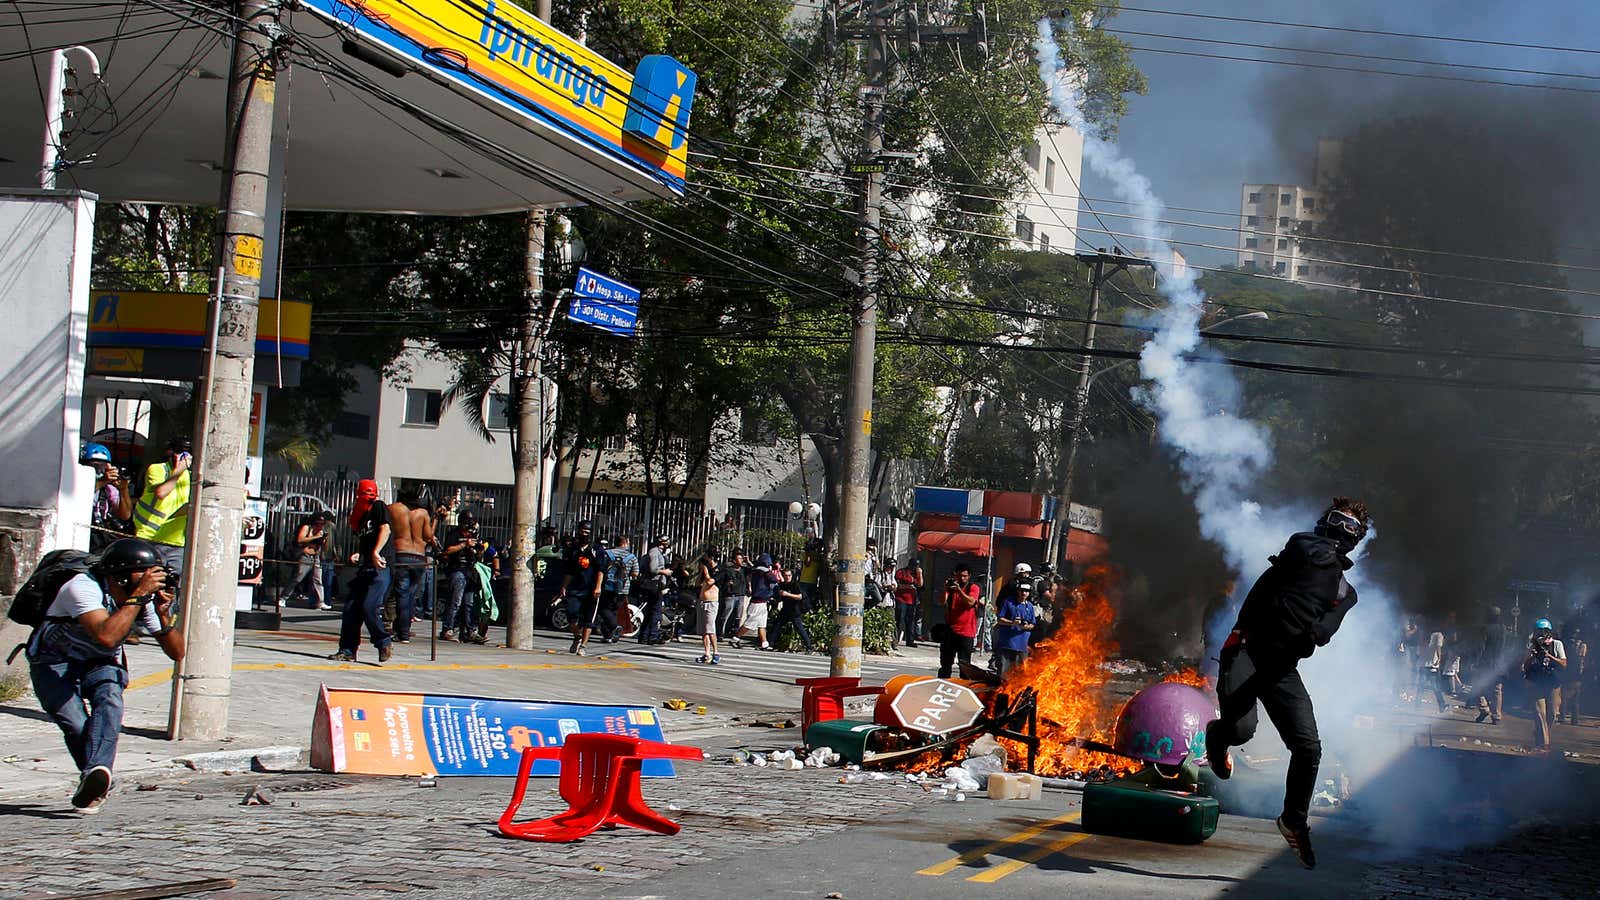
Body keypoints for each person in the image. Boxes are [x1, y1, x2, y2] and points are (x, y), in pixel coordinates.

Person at [1204, 497, 1371, 871]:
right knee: (1242, 730)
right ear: (1324, 523)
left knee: (1309, 748)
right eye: (1337, 523)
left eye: (1350, 529)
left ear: (1357, 539)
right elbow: (1306, 550)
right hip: (1246, 653)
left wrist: (1318, 630)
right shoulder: (1301, 547)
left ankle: (1293, 820)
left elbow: (1328, 628)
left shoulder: (1346, 593)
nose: (1341, 533)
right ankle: (1218, 735)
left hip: (1282, 669)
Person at [28, 538, 185, 812]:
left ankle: (96, 775)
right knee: (75, 723)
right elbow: (106, 635)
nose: (152, 580)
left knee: (110, 698)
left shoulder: (143, 599)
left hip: (99, 662)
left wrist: (162, 616)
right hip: (53, 662)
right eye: (145, 574)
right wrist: (138, 598)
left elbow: (177, 653)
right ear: (121, 577)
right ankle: (96, 779)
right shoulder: (82, 588)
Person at [328, 479, 394, 663]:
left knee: (369, 606)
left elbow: (386, 530)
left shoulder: (379, 507)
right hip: (366, 566)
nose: (367, 496)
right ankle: (347, 650)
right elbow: (366, 539)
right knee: (351, 608)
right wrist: (361, 553)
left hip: (381, 566)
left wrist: (375, 552)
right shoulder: (362, 517)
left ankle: (383, 641)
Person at [130, 436, 192, 585]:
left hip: (176, 542)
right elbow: (161, 492)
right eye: (179, 452)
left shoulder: (189, 476)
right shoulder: (158, 469)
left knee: (172, 587)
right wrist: (177, 472)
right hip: (151, 537)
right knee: (146, 583)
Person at [387, 492, 433, 643]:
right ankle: (403, 630)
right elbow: (428, 536)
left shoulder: (394, 509)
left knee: (402, 595)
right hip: (419, 557)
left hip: (402, 553)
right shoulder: (423, 513)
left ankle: (402, 632)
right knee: (411, 595)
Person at [558, 520, 607, 655]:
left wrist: (598, 587)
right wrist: (564, 587)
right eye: (582, 531)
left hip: (591, 588)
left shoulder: (597, 550)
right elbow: (569, 570)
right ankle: (577, 636)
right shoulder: (573, 549)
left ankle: (583, 646)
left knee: (588, 619)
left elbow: (601, 570)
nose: (584, 534)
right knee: (571, 613)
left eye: (587, 532)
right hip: (575, 588)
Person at [440, 513, 487, 644]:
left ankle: (470, 631)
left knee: (469, 603)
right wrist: (464, 545)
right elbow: (447, 550)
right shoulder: (454, 535)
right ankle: (447, 629)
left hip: (470, 570)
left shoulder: (474, 536)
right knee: (455, 601)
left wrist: (478, 551)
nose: (469, 529)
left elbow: (479, 555)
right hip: (457, 569)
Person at [1523, 617, 1566, 752]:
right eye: (1539, 631)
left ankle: (1541, 734)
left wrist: (1549, 656)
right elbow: (1525, 665)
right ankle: (1545, 744)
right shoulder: (1531, 645)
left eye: (1544, 631)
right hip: (1536, 682)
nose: (1542, 634)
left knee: (1552, 713)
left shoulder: (1557, 644)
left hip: (1553, 682)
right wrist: (1532, 655)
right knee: (1540, 712)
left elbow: (1564, 663)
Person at [80, 443, 133, 551]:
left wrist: (123, 489)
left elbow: (125, 515)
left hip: (99, 538)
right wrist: (102, 481)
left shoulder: (108, 489)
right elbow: (79, 496)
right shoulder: (78, 482)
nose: (99, 470)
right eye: (95, 466)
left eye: (103, 466)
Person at [938, 564, 980, 679]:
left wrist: (959, 590)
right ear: (955, 575)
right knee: (945, 664)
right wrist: (946, 589)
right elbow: (942, 601)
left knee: (965, 667)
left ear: (969, 576)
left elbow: (970, 602)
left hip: (966, 633)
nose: (962, 579)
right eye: (960, 576)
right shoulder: (951, 589)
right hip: (950, 631)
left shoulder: (973, 587)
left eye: (965, 576)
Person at [1474, 607, 1513, 724]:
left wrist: (1476, 661)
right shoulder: (1503, 629)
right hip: (1499, 664)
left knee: (1478, 687)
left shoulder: (1485, 628)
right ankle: (1496, 716)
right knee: (1497, 691)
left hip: (1486, 663)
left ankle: (1484, 708)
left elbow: (1481, 647)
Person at [599, 534, 640, 643]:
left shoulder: (607, 553)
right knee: (614, 610)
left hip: (607, 586)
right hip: (622, 588)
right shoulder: (632, 557)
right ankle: (611, 634)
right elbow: (635, 573)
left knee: (603, 608)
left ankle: (612, 629)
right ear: (625, 543)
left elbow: (600, 569)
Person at [993, 579, 1037, 678]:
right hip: (1007, 644)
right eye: (1021, 590)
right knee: (1003, 675)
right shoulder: (1008, 602)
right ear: (1018, 591)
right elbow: (1000, 619)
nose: (1024, 593)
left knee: (1020, 676)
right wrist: (1012, 623)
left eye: (1026, 591)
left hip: (1022, 646)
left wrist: (1025, 626)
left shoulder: (1029, 606)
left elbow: (1032, 624)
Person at [292, 511, 334, 610]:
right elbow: (300, 540)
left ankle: (321, 601)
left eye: (322, 523)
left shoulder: (322, 530)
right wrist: (316, 537)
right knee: (298, 577)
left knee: (318, 580)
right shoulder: (307, 528)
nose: (319, 525)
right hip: (305, 555)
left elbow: (325, 546)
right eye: (317, 523)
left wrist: (323, 539)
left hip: (316, 556)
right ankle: (283, 597)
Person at [771, 560, 815, 652]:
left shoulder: (795, 584)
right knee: (777, 625)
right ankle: (770, 643)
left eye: (789, 575)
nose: (787, 577)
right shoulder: (783, 584)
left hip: (794, 611)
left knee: (799, 628)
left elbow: (800, 596)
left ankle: (809, 646)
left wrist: (787, 594)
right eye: (786, 575)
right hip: (786, 609)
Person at [718, 549, 750, 645]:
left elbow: (754, 569)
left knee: (738, 616)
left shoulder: (744, 570)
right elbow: (720, 582)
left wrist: (748, 561)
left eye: (741, 559)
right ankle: (720, 633)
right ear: (734, 560)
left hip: (740, 595)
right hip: (730, 595)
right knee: (725, 615)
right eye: (739, 559)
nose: (741, 561)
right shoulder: (728, 570)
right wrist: (727, 584)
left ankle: (735, 634)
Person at [696, 549, 721, 664]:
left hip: (712, 603)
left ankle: (716, 652)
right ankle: (707, 653)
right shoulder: (703, 572)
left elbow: (710, 582)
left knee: (710, 629)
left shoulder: (719, 570)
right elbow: (697, 584)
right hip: (702, 602)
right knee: (704, 631)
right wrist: (701, 572)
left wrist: (705, 572)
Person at [1560, 622, 1587, 725]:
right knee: (1574, 697)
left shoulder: (1565, 644)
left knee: (1565, 695)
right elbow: (1583, 660)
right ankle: (1574, 719)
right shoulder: (1582, 645)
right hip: (1576, 674)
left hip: (1568, 672)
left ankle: (1563, 716)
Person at [893, 557, 923, 649]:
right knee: (900, 620)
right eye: (914, 566)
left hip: (912, 600)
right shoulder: (901, 572)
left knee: (911, 621)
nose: (915, 568)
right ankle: (896, 640)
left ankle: (910, 640)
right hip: (901, 599)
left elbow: (920, 584)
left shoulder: (916, 574)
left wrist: (920, 574)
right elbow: (897, 585)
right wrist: (908, 586)